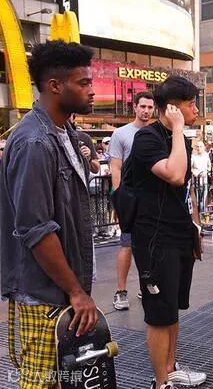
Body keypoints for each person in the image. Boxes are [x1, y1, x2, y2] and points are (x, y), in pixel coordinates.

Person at [1, 40, 98, 389]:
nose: (92, 90)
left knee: (61, 381)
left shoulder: (66, 133)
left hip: (61, 289)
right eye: (83, 83)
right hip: (43, 294)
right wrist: (76, 292)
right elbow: (36, 229)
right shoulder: (34, 142)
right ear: (55, 86)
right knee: (39, 383)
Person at [130, 77, 206, 389]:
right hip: (154, 237)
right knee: (159, 312)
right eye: (191, 104)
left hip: (178, 233)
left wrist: (194, 228)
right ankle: (160, 382)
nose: (196, 110)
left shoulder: (180, 140)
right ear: (173, 108)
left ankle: (171, 368)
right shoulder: (146, 138)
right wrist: (177, 129)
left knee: (172, 306)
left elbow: (183, 190)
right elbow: (174, 175)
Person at [109, 91, 155, 310]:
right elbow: (115, 167)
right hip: (130, 200)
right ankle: (120, 291)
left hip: (152, 201)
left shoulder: (157, 132)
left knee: (152, 246)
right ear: (135, 107)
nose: (146, 111)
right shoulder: (121, 134)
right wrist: (120, 199)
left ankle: (147, 286)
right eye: (142, 106)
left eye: (150, 107)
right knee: (127, 244)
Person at [191, 140, 211, 216]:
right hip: (196, 181)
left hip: (204, 180)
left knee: (204, 198)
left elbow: (209, 166)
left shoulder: (206, 155)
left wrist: (206, 171)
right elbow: (191, 168)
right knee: (197, 198)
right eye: (198, 146)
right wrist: (194, 172)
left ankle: (204, 214)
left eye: (200, 146)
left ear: (203, 147)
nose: (199, 148)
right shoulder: (193, 156)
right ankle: (198, 214)